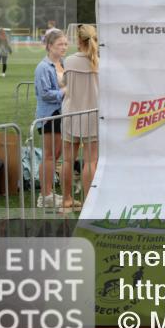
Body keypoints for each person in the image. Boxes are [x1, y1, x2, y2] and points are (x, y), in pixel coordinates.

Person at [61, 24, 99, 212]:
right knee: (91, 161)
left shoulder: (69, 61)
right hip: (92, 115)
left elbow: (64, 84)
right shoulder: (99, 62)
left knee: (68, 160)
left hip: (71, 114)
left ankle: (67, 199)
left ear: (78, 40)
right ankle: (88, 203)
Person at [35, 28, 68, 209]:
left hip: (62, 113)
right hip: (50, 115)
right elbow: (45, 94)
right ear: (49, 46)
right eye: (59, 44)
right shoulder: (42, 67)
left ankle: (48, 193)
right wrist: (66, 91)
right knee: (49, 156)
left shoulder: (63, 63)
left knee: (56, 155)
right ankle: (44, 196)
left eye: (65, 44)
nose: (64, 47)